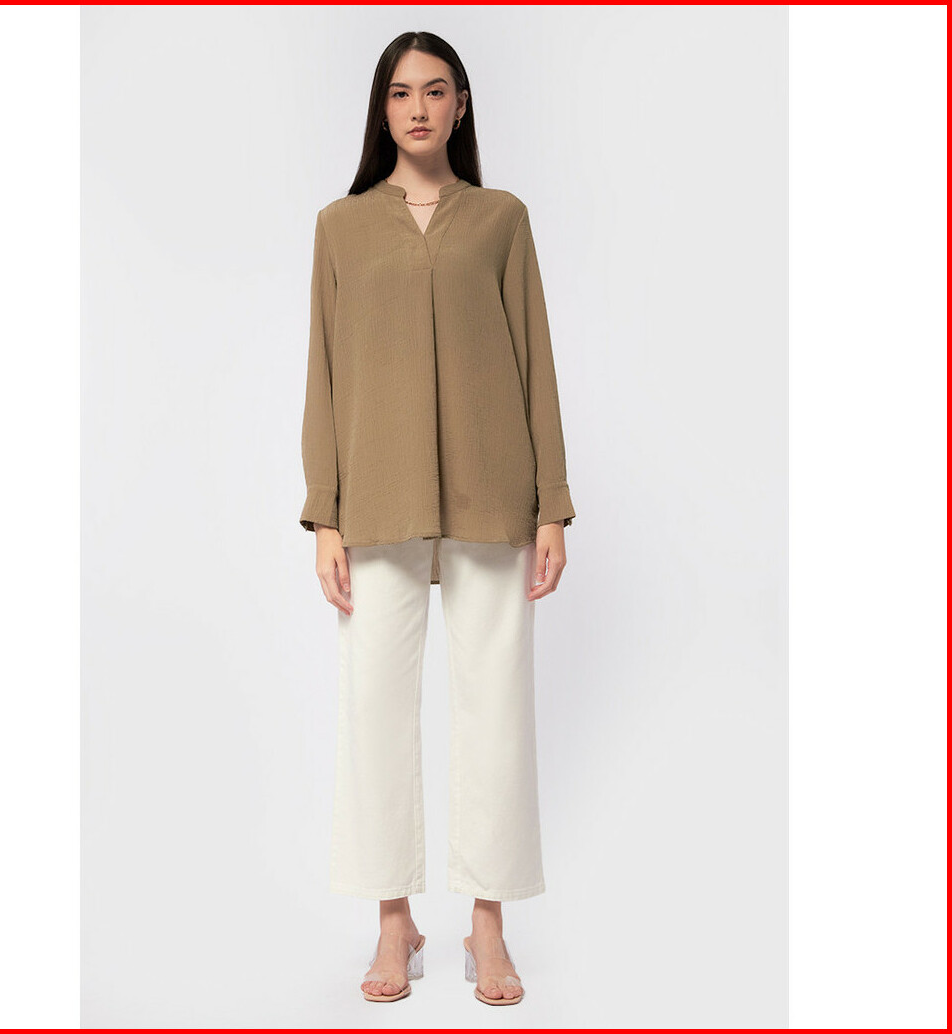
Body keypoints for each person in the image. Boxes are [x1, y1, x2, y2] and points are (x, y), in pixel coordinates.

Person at [298, 31, 575, 1006]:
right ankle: (393, 922)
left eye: (436, 90)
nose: (418, 108)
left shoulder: (501, 219)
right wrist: (324, 516)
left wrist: (552, 505)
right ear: (382, 110)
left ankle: (486, 924)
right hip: (374, 496)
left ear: (461, 106)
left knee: (495, 706)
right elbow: (323, 373)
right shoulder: (341, 227)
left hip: (494, 492)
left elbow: (536, 360)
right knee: (374, 709)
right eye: (400, 92)